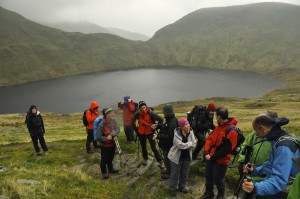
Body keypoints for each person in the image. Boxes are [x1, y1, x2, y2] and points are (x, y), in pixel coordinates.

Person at [242, 114, 300, 199]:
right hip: (282, 187)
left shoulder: (283, 146)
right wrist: (254, 170)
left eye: (256, 131)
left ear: (262, 128)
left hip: (287, 190)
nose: (256, 135)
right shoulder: (276, 140)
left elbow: (279, 180)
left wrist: (256, 187)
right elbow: (270, 165)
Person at [200, 107, 239, 199]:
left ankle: (221, 195)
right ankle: (209, 193)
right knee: (208, 176)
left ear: (219, 116)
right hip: (211, 157)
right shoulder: (219, 127)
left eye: (216, 115)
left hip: (221, 160)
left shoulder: (232, 131)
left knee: (218, 179)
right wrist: (206, 152)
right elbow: (210, 139)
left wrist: (211, 156)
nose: (214, 116)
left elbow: (227, 149)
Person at [237, 111, 276, 179]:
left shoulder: (277, 140)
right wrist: (242, 162)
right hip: (250, 173)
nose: (256, 133)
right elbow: (245, 146)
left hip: (266, 179)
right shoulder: (253, 135)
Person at [131, 101, 165, 168]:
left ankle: (161, 161)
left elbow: (161, 119)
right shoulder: (137, 114)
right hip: (141, 133)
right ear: (139, 108)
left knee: (153, 147)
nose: (143, 109)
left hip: (150, 132)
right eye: (141, 108)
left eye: (144, 107)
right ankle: (145, 159)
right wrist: (136, 130)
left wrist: (156, 126)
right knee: (143, 147)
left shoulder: (150, 112)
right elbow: (132, 121)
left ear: (146, 106)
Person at [168, 118, 196, 197]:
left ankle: (182, 187)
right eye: (185, 124)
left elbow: (194, 144)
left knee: (185, 174)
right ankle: (172, 189)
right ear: (181, 126)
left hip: (186, 157)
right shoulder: (177, 133)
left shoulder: (191, 132)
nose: (188, 125)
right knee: (175, 174)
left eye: (188, 124)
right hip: (176, 158)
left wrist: (188, 145)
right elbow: (179, 145)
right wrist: (190, 144)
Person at [153, 104, 179, 179]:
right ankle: (168, 171)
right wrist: (158, 126)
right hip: (166, 145)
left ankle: (169, 174)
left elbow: (170, 137)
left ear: (167, 112)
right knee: (166, 159)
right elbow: (166, 125)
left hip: (169, 146)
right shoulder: (170, 119)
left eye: (164, 111)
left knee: (167, 160)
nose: (163, 112)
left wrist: (158, 136)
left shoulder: (173, 122)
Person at [96, 108, 120, 179]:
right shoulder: (101, 124)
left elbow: (117, 129)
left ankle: (110, 169)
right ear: (106, 115)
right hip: (105, 146)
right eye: (111, 113)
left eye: (113, 113)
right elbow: (99, 136)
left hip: (112, 144)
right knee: (104, 160)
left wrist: (114, 135)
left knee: (111, 158)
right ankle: (104, 173)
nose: (113, 114)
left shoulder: (114, 121)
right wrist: (106, 138)